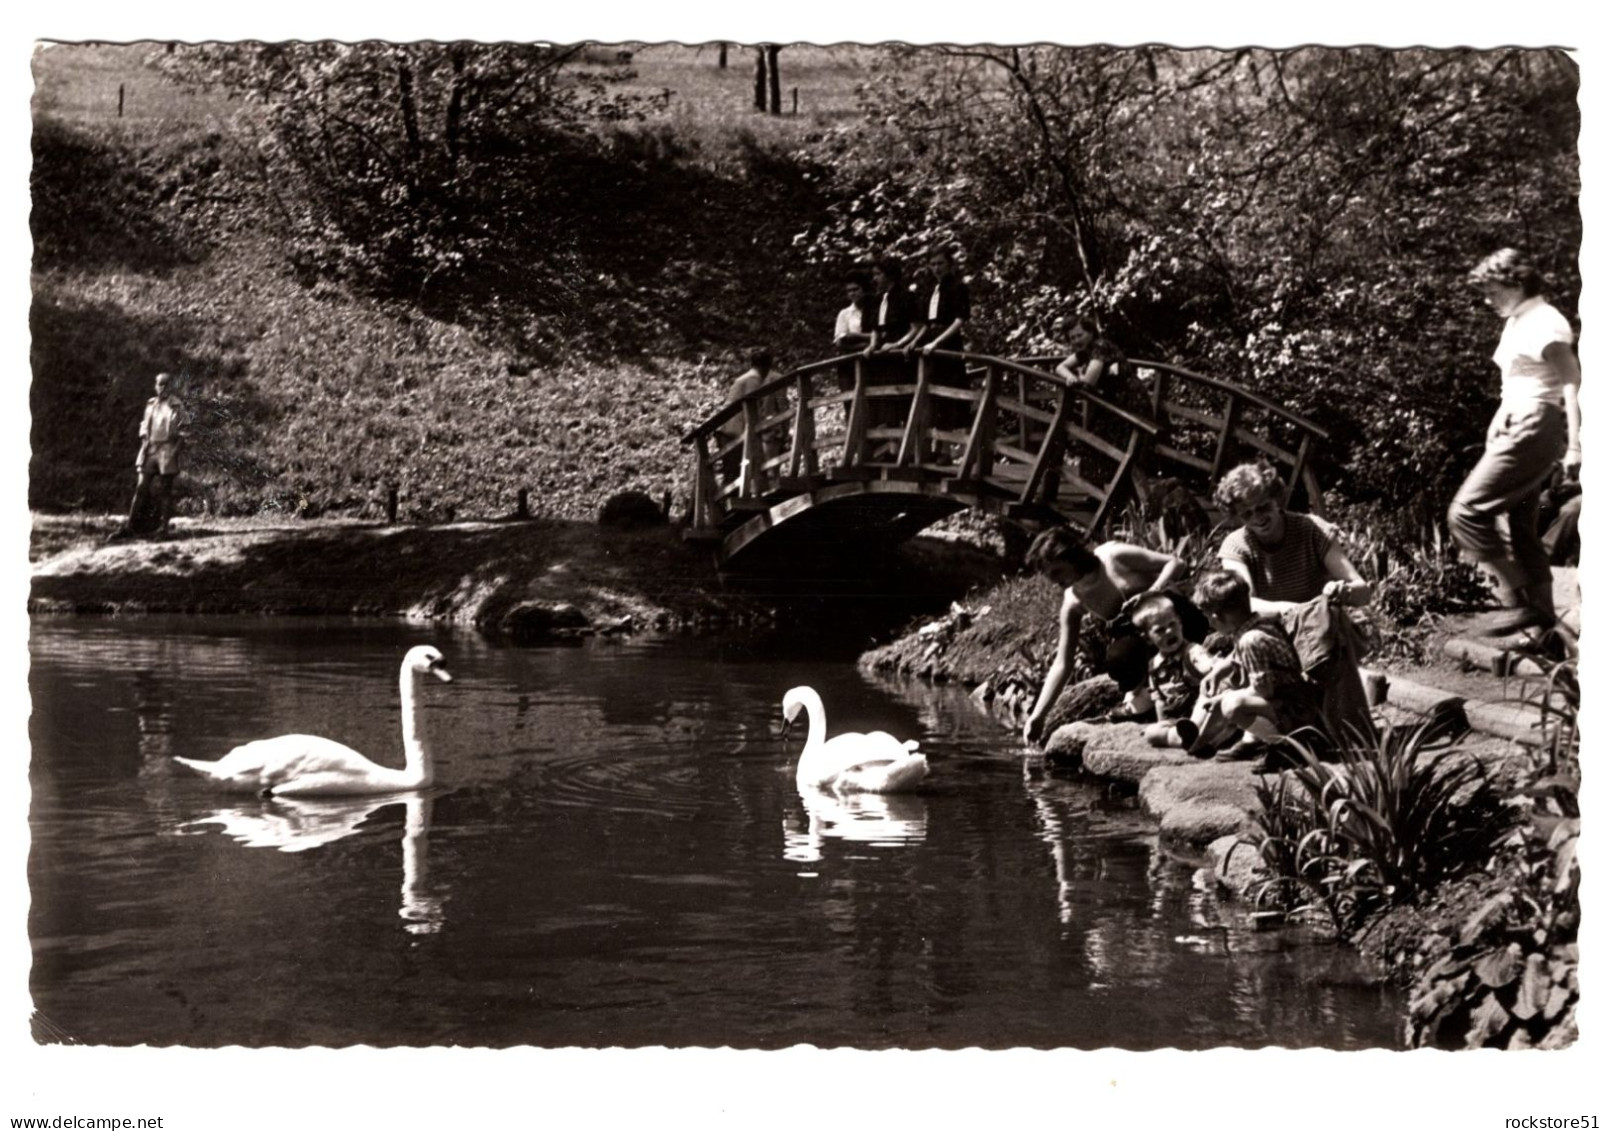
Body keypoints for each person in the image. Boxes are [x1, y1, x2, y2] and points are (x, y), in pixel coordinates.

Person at [1450, 248, 1582, 635]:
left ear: (1516, 281)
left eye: (1493, 291)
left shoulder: (1544, 321)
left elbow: (1572, 382)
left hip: (1535, 424)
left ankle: (1523, 601)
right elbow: (1515, 384)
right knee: (1522, 524)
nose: (1488, 300)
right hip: (1519, 425)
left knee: (1466, 512)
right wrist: (1498, 425)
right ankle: (1545, 636)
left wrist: (1575, 445)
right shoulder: (1519, 320)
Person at [1214, 460, 1375, 744]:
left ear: (1277, 499)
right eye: (1247, 513)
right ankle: (1274, 733)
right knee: (1248, 644)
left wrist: (1342, 591)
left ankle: (1344, 724)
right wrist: (1293, 610)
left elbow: (1363, 591)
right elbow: (1244, 604)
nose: (1258, 518)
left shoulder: (1311, 529)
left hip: (1317, 633)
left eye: (1263, 507)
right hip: (1269, 637)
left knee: (1331, 619)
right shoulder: (1237, 545)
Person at [1021, 526, 1209, 744]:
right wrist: (1038, 716)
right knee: (1118, 658)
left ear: (1072, 556)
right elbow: (1063, 664)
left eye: (1057, 572)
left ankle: (1180, 682)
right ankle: (1151, 698)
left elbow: (1175, 563)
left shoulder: (1112, 556)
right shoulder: (1073, 601)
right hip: (1144, 642)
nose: (1053, 581)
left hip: (1176, 621)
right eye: (1048, 575)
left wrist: (1152, 592)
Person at [1178, 570, 1324, 765]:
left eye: (1208, 618)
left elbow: (1264, 690)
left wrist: (1222, 699)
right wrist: (1217, 673)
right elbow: (1237, 654)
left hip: (1294, 707)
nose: (1210, 623)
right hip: (1292, 700)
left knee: (1232, 705)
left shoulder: (1250, 640)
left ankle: (1288, 747)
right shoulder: (1257, 624)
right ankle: (1210, 742)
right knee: (1230, 696)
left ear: (1216, 616)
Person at [1130, 593, 1217, 750]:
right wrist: (1161, 722)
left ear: (1181, 623)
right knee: (1151, 733)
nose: (1169, 632)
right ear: (1148, 638)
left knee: (1207, 705)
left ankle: (1195, 732)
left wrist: (1210, 666)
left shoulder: (1193, 652)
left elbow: (1211, 670)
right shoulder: (1154, 665)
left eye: (1172, 624)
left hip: (1200, 711)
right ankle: (1181, 738)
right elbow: (1159, 699)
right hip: (1177, 719)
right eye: (1160, 630)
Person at [906, 244, 972, 434]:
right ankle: (936, 446)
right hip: (929, 343)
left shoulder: (958, 287)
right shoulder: (931, 290)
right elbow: (927, 324)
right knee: (932, 394)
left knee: (950, 394)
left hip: (948, 343)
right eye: (933, 264)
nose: (937, 268)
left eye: (940, 263)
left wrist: (937, 342)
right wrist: (913, 342)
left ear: (950, 264)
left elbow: (959, 321)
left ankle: (947, 449)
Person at [118, 371, 188, 539]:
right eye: (159, 384)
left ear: (171, 387)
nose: (162, 388)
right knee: (141, 488)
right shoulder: (151, 404)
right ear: (155, 386)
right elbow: (144, 426)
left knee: (165, 490)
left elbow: (185, 431)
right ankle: (130, 527)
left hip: (167, 450)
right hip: (150, 449)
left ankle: (163, 530)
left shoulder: (177, 406)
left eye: (166, 384)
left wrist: (175, 451)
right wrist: (144, 441)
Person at [719, 350, 781, 488]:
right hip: (733, 432)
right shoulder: (753, 380)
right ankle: (725, 506)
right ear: (766, 366)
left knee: (734, 473)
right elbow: (751, 410)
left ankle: (729, 504)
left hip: (730, 430)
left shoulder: (746, 378)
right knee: (733, 474)